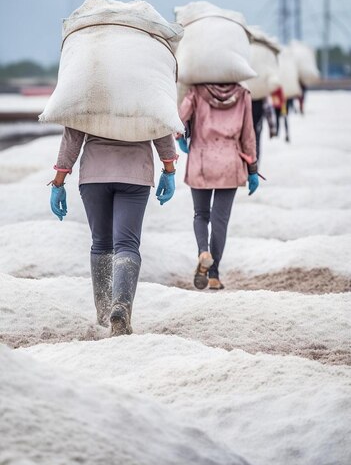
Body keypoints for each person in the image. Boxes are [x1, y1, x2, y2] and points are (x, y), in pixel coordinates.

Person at [49, 129, 177, 335]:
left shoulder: (88, 95)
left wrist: (59, 181)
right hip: (135, 174)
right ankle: (121, 308)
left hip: (94, 174)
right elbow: (160, 126)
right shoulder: (146, 95)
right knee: (127, 244)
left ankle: (103, 314)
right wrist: (169, 169)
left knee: (101, 244)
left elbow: (73, 136)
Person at [177, 83, 259, 291]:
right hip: (230, 161)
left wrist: (180, 138)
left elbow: (179, 118)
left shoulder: (196, 91)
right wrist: (252, 169)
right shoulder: (243, 94)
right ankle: (213, 275)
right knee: (220, 219)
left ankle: (203, 252)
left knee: (201, 214)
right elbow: (248, 135)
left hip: (201, 159)